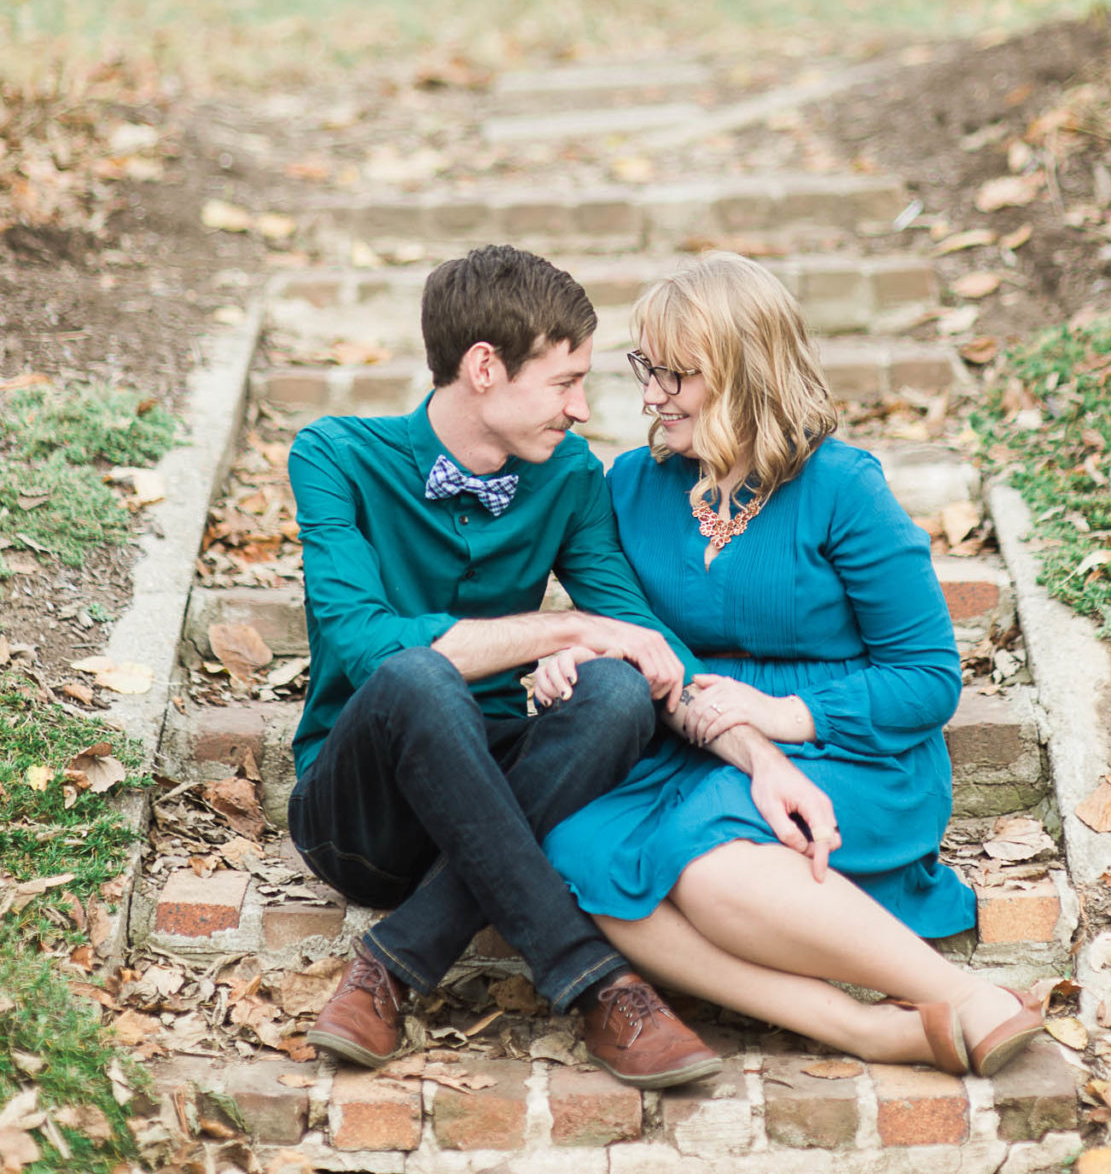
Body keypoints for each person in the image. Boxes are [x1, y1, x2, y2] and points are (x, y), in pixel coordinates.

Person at [534, 252, 1045, 1078]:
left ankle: (958, 996)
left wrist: (784, 716)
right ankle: (865, 1030)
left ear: (745, 373)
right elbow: (621, 625)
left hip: (851, 749)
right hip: (690, 742)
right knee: (576, 854)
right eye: (646, 366)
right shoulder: (630, 485)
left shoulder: (843, 488)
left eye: (675, 373)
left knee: (704, 869)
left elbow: (927, 677)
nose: (651, 392)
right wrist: (571, 648)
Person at [290, 243, 743, 1088]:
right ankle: (595, 980)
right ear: (486, 367)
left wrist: (758, 742)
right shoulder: (334, 456)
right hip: (360, 815)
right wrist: (554, 632)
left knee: (616, 691)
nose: (582, 409)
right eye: (565, 382)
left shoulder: (568, 476)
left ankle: (391, 961)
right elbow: (364, 642)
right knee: (420, 675)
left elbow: (637, 634)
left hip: (496, 791)